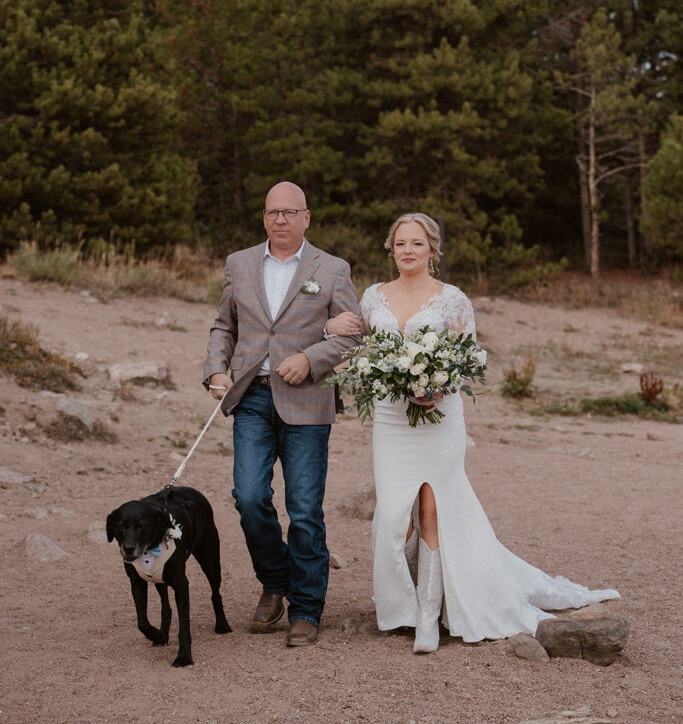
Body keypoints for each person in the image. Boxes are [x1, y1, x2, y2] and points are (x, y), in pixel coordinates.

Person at [326, 212, 619, 653]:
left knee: (432, 506)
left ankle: (427, 615)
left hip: (439, 417)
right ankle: (399, 603)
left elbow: (468, 360)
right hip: (390, 420)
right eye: (401, 243)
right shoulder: (372, 298)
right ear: (391, 248)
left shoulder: (452, 299)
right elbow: (361, 347)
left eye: (417, 244)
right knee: (390, 516)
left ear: (432, 250)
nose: (408, 250)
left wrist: (438, 389)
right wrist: (331, 326)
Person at [203, 181, 362, 648]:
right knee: (249, 497)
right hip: (251, 395)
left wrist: (311, 358)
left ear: (306, 218)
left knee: (305, 510)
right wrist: (215, 370)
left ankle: (307, 609)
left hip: (308, 399)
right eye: (274, 212)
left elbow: (352, 333)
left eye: (290, 212)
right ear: (264, 216)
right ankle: (276, 582)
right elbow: (223, 325)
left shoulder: (331, 270)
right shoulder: (240, 263)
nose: (281, 220)